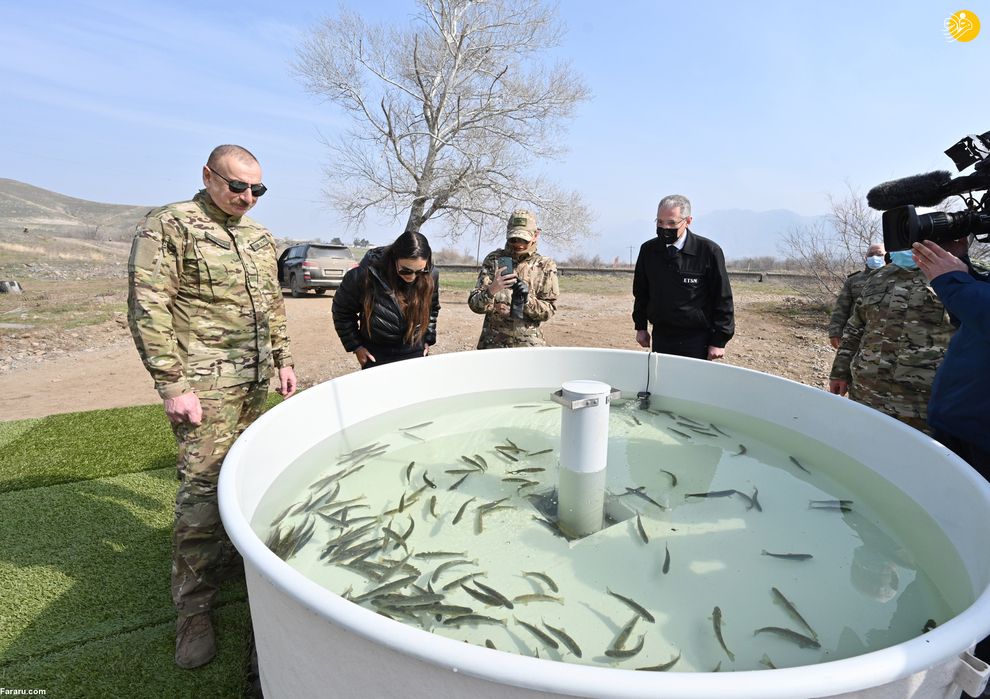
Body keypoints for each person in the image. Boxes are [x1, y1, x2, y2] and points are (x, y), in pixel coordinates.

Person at [127, 144, 296, 669]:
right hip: (204, 388)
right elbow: (147, 306)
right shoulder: (170, 226)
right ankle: (194, 608)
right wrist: (172, 384)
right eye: (236, 186)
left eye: (256, 189)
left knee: (246, 475)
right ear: (208, 175)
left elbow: (272, 303)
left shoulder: (259, 236)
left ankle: (235, 565)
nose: (247, 197)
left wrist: (284, 360)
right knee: (201, 490)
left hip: (254, 383)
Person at [828, 239, 968, 434]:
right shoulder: (879, 276)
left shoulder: (962, 274)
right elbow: (855, 327)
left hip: (925, 403)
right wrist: (840, 372)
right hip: (868, 395)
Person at [912, 238, 990, 475]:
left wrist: (955, 284)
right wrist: (960, 266)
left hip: (980, 434)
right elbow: (972, 322)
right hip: (958, 420)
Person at [632, 194, 734, 359]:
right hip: (661, 336)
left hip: (696, 340)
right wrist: (641, 327)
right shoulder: (648, 251)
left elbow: (723, 299)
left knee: (691, 384)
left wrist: (719, 340)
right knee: (662, 383)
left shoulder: (708, 252)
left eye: (671, 222)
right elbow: (641, 293)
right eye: (660, 222)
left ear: (687, 221)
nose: (665, 227)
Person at [332, 230, 440, 368]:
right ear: (394, 257)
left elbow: (432, 308)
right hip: (377, 353)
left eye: (420, 271)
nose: (412, 277)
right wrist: (356, 346)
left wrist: (428, 339)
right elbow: (342, 311)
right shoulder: (363, 275)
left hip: (415, 349)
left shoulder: (431, 275)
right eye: (406, 270)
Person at [468, 209, 559, 349]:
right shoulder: (494, 260)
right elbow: (475, 306)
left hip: (529, 348)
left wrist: (527, 300)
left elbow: (549, 310)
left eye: (524, 239)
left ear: (535, 235)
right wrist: (492, 290)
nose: (518, 244)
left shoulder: (546, 266)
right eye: (513, 239)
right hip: (493, 346)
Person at [828, 243, 886, 349]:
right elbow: (841, 308)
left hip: (886, 337)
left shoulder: (895, 279)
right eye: (871, 254)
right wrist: (835, 332)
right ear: (866, 257)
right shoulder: (854, 280)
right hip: (856, 335)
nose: (874, 257)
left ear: (887, 256)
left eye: (879, 254)